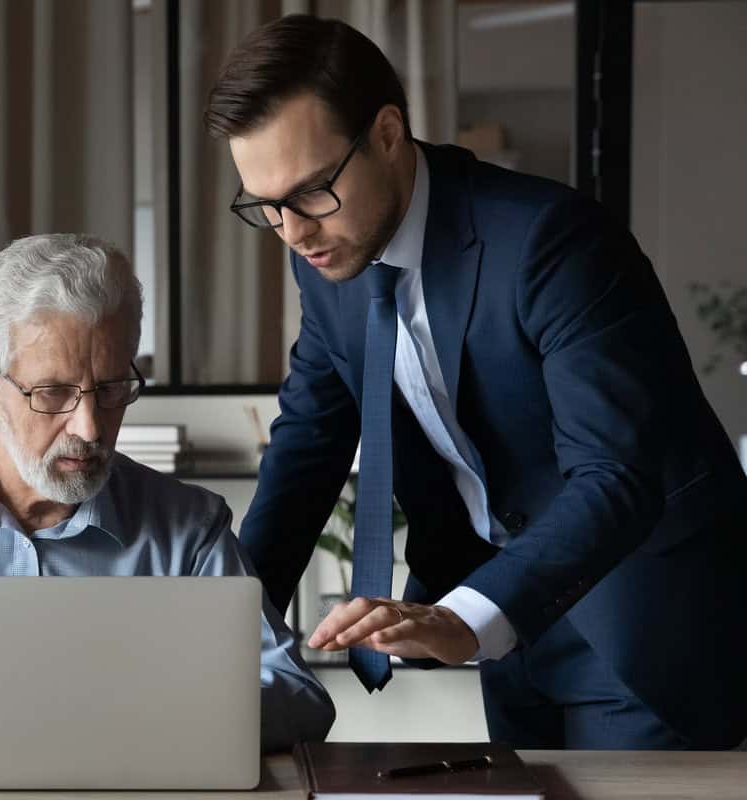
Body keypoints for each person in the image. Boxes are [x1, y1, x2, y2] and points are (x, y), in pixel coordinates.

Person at [204, 14, 747, 749]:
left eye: (309, 192)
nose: (292, 232)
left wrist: (468, 615)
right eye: (263, 206)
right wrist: (223, 632)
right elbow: (306, 447)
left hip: (635, 617)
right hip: (509, 630)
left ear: (388, 134)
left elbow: (615, 474)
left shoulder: (552, 240)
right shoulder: (326, 261)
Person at [0, 233, 335, 756]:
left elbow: (297, 697)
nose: (90, 428)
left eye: (112, 389)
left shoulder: (187, 525)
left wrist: (134, 716)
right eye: (53, 392)